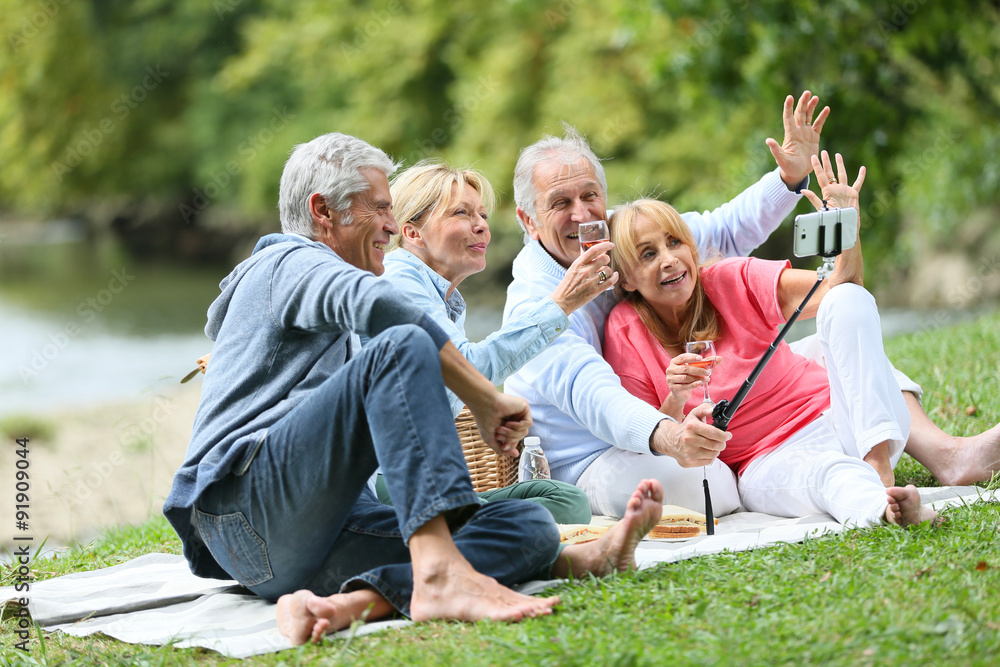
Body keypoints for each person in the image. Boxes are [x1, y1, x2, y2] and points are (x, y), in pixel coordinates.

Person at [162, 132, 666, 646]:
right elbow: (383, 314)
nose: (389, 224)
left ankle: (355, 603)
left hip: (297, 546)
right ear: (323, 212)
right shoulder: (286, 261)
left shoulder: (353, 289)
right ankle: (440, 572)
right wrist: (484, 397)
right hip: (243, 510)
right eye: (379, 209)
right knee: (401, 343)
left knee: (528, 523)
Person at [503, 93, 999, 518]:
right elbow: (597, 398)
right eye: (559, 203)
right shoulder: (544, 306)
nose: (580, 213)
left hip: (754, 413)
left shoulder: (626, 235)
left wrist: (792, 180)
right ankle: (864, 497)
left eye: (590, 195)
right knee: (715, 487)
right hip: (600, 450)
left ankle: (940, 458)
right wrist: (670, 432)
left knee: (841, 334)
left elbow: (720, 232)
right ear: (528, 220)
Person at [603, 151, 939, 527]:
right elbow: (648, 436)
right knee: (827, 474)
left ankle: (879, 471)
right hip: (768, 459)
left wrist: (849, 226)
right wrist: (676, 397)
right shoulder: (624, 329)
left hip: (847, 423)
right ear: (626, 278)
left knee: (847, 298)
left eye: (674, 243)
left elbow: (842, 291)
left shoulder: (732, 278)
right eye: (648, 254)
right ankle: (884, 509)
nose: (668, 259)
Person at [372, 160, 615, 524]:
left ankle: (477, 526)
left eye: (482, 214)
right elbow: (469, 368)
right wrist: (561, 303)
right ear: (413, 233)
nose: (481, 225)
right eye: (461, 213)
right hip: (388, 481)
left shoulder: (444, 298)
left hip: (431, 478)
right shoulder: (399, 280)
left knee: (565, 500)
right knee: (548, 516)